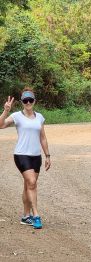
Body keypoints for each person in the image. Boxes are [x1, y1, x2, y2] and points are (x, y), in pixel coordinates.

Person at [0, 88, 51, 229]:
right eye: (25, 100)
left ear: (34, 101)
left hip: (36, 156)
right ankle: (36, 215)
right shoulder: (17, 116)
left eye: (30, 100)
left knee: (29, 185)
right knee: (32, 182)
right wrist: (5, 111)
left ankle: (25, 216)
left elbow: (43, 138)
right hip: (21, 154)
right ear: (22, 102)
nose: (28, 102)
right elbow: (0, 125)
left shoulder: (39, 117)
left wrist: (47, 155)